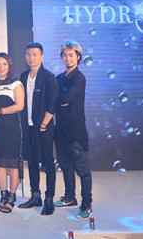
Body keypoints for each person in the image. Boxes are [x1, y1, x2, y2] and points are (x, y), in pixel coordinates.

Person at [17, 42, 58, 215]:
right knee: (32, 161)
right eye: (28, 54)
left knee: (48, 163)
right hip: (28, 127)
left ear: (41, 57)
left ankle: (49, 199)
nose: (31, 58)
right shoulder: (23, 76)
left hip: (43, 127)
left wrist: (44, 123)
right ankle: (35, 196)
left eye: (35, 54)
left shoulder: (49, 77)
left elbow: (52, 103)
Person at [54, 40, 93, 219]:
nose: (68, 58)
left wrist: (59, 99)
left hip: (75, 131)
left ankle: (87, 203)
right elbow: (56, 100)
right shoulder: (59, 78)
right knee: (65, 166)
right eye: (65, 55)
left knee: (82, 170)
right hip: (60, 130)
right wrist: (59, 100)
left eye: (71, 55)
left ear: (78, 57)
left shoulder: (79, 78)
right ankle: (70, 197)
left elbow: (65, 99)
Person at [0, 52, 24, 214]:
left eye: (4, 64)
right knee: (0, 163)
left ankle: (12, 197)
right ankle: (3, 196)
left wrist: (0, 111)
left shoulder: (16, 84)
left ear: (9, 66)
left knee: (13, 164)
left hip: (12, 129)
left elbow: (20, 106)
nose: (1, 67)